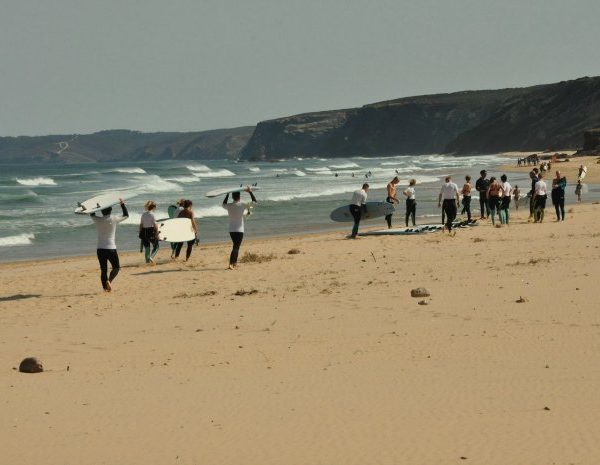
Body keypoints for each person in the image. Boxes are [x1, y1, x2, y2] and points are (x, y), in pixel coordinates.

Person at [91, 199, 128, 292]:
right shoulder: (114, 218)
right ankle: (109, 281)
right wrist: (122, 204)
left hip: (100, 249)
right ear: (111, 210)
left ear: (102, 211)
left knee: (103, 270)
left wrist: (96, 207)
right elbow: (126, 215)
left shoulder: (98, 220)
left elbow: (92, 214)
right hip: (111, 248)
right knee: (116, 268)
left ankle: (105, 287)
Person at [222, 187, 257, 269]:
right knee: (236, 247)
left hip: (231, 230)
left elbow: (223, 204)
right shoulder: (242, 204)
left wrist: (227, 194)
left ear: (232, 197)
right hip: (239, 230)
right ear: (239, 197)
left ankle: (234, 264)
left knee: (235, 246)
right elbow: (254, 202)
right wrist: (250, 192)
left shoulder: (229, 206)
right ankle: (231, 264)